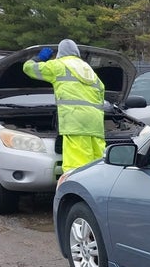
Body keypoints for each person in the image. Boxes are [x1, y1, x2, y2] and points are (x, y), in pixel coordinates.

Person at [22, 39, 106, 173]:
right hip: (95, 125)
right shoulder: (90, 71)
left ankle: (74, 192)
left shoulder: (58, 65)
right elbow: (101, 95)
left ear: (60, 53)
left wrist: (40, 58)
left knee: (77, 167)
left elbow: (28, 68)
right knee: (98, 165)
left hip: (75, 123)